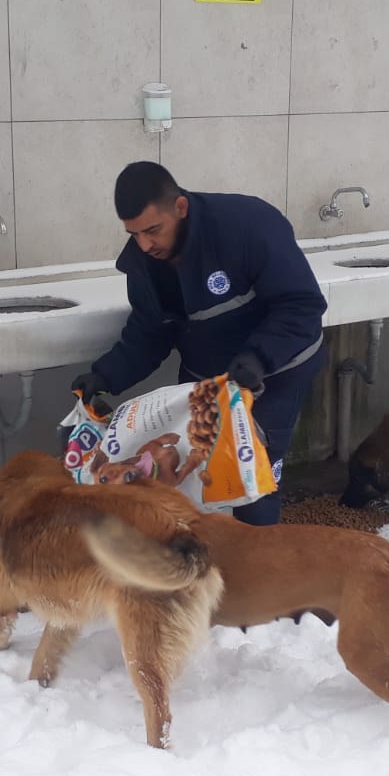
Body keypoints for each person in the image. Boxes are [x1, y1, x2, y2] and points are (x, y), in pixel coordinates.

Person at [71, 161, 327, 526]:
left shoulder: (248, 225)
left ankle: (254, 571)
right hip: (206, 380)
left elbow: (302, 306)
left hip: (275, 372)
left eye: (153, 230)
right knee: (186, 479)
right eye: (134, 234)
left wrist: (259, 357)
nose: (144, 244)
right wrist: (105, 375)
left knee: (251, 479)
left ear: (180, 208)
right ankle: (200, 569)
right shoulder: (145, 263)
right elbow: (150, 331)